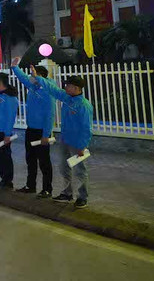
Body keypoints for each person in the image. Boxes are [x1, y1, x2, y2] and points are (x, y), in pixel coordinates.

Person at [30, 67, 93, 209]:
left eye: (68, 85)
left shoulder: (83, 105)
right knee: (64, 167)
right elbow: (52, 89)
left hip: (77, 144)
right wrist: (38, 78)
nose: (65, 88)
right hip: (65, 140)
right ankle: (67, 193)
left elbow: (86, 128)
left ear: (76, 88)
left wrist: (83, 146)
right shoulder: (67, 98)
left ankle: (82, 197)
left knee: (80, 170)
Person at [12, 60, 56, 197]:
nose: (30, 77)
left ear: (40, 76)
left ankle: (47, 189)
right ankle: (30, 185)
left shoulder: (48, 91)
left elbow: (50, 114)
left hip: (42, 132)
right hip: (30, 129)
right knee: (30, 159)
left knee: (44, 161)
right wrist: (14, 67)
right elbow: (22, 77)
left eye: (33, 75)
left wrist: (46, 135)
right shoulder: (32, 86)